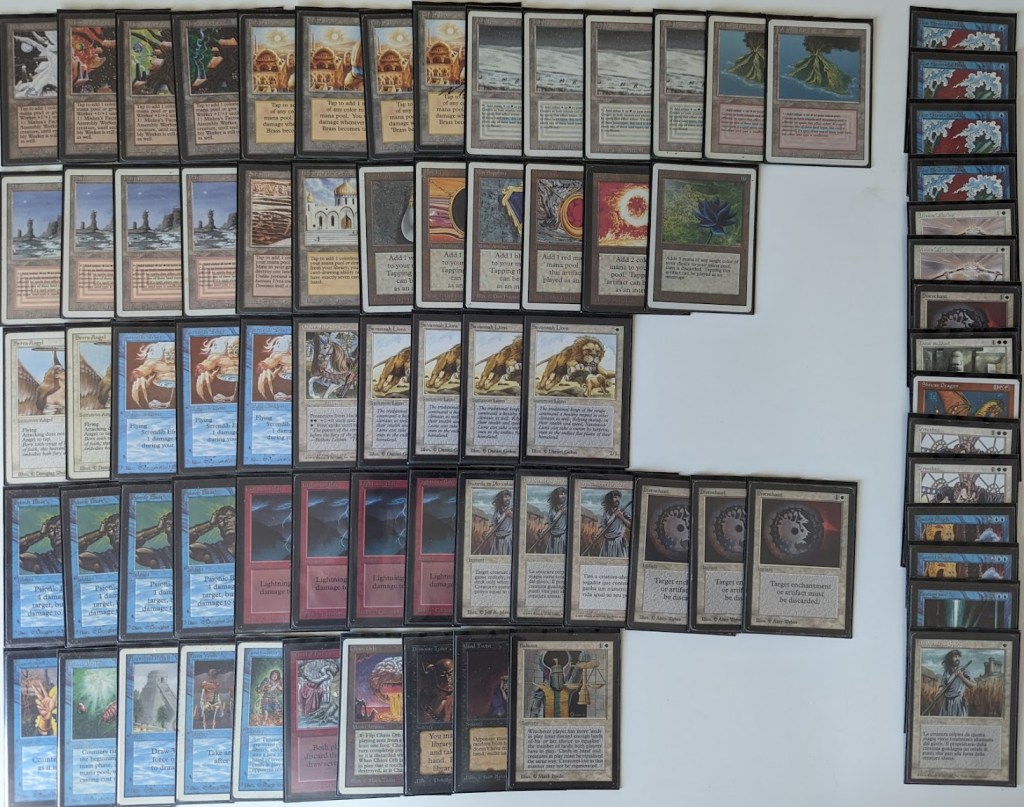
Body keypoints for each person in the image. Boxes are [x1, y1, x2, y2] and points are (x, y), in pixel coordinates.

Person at [938, 650, 976, 716]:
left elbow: (973, 686)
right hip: (946, 704)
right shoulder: (947, 672)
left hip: (958, 703)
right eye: (955, 657)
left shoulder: (963, 670)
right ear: (950, 659)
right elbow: (942, 685)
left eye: (958, 657)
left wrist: (961, 676)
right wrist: (939, 692)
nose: (957, 658)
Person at [598, 490, 631, 558]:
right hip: (607, 543)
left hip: (618, 543)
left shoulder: (623, 511)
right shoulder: (606, 513)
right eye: (615, 497)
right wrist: (597, 535)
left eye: (618, 497)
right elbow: (602, 526)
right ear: (610, 499)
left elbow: (630, 526)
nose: (617, 499)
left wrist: (621, 516)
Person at [486, 490, 513, 555]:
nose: (508, 499)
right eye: (505, 497)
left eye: (509, 497)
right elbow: (493, 525)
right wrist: (488, 532)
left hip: (507, 540)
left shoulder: (511, 510)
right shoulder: (497, 513)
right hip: (497, 540)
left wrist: (509, 514)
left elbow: (517, 520)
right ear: (500, 499)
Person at [543, 487, 567, 555]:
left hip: (562, 537)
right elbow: (549, 522)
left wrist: (561, 512)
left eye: (564, 494)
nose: (563, 496)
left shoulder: (567, 508)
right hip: (552, 537)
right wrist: (543, 531)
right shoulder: (552, 509)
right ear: (556, 496)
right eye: (561, 494)